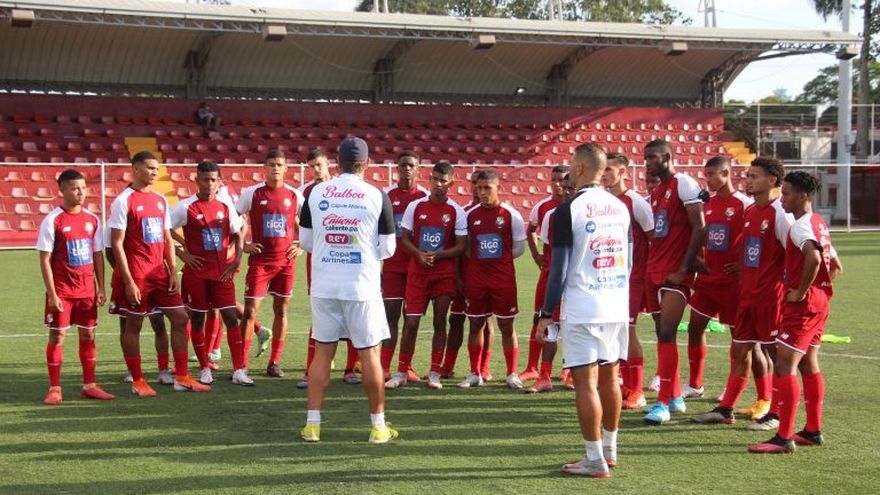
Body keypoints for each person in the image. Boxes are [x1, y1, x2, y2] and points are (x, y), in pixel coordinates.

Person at [536, 144, 631, 477]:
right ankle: (610, 449)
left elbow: (559, 268)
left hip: (584, 306)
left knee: (585, 383)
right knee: (610, 378)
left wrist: (546, 313)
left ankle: (593, 459)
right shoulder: (620, 207)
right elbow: (629, 261)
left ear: (578, 169)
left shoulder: (568, 210)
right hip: (616, 303)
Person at [299, 137, 399, 444]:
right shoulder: (377, 195)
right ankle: (378, 427)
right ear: (366, 163)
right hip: (361, 286)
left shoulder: (316, 193)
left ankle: (312, 425)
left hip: (324, 284)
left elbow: (306, 242)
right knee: (369, 354)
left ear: (336, 162)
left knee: (322, 351)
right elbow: (388, 248)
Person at [692, 157, 792, 426]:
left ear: (772, 180)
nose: (748, 181)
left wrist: (792, 289)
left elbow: (796, 253)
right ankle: (726, 409)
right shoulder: (751, 211)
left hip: (770, 298)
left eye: (754, 176)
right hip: (747, 294)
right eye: (748, 176)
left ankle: (776, 412)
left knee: (776, 356)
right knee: (739, 350)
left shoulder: (780, 213)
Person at [749, 171, 841, 453]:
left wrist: (801, 291)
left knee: (784, 364)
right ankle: (812, 430)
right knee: (808, 363)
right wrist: (817, 289)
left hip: (804, 305)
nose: (782, 199)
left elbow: (813, 258)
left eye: (786, 194)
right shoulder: (818, 222)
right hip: (820, 301)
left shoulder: (800, 226)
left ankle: (784, 437)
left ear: (803, 196)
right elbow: (835, 266)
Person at [109, 151, 207, 396]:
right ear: (135, 169)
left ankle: (182, 376)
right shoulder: (123, 201)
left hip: (160, 273)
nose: (154, 172)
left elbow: (166, 238)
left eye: (156, 168)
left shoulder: (160, 199)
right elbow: (116, 243)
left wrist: (172, 271)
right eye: (150, 168)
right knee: (134, 324)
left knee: (180, 318)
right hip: (137, 274)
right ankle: (138, 380)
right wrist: (128, 280)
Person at [385, 162, 467, 390]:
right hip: (418, 273)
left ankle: (434, 373)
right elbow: (405, 238)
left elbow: (461, 246)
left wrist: (438, 255)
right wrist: (419, 255)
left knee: (440, 321)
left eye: (443, 181)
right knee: (411, 322)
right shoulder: (415, 206)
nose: (438, 184)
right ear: (430, 180)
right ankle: (401, 371)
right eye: (435, 179)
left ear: (451, 183)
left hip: (443, 274)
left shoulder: (456, 211)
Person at [641, 139, 705, 425]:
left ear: (667, 156)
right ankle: (676, 394)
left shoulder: (684, 184)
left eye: (652, 157)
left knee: (667, 333)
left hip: (675, 274)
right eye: (646, 158)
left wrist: (683, 269)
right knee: (661, 334)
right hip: (654, 270)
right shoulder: (656, 191)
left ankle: (663, 403)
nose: (647, 162)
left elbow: (699, 227)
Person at [38, 169, 114, 405]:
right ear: (62, 190)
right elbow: (44, 259)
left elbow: (97, 254)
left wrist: (101, 287)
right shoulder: (53, 220)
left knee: (88, 335)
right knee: (57, 336)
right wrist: (52, 294)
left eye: (83, 188)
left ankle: (90, 386)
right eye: (74, 188)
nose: (80, 193)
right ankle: (54, 388)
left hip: (86, 290)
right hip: (62, 291)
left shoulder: (93, 219)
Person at [683, 157, 753, 400]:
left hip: (733, 284)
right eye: (706, 175)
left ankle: (731, 389)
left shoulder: (744, 204)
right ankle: (695, 384)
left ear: (726, 173)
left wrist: (744, 265)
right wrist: (696, 256)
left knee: (739, 340)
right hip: (708, 280)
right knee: (694, 328)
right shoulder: (707, 204)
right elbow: (699, 234)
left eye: (712, 174)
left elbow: (756, 237)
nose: (708, 179)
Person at [170, 161, 244, 386]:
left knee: (230, 316)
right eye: (205, 179)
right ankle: (204, 368)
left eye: (213, 180)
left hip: (222, 273)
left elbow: (238, 233)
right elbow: (164, 230)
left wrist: (236, 259)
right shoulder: (185, 207)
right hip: (197, 274)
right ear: (197, 180)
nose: (209, 184)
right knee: (198, 319)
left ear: (219, 182)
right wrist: (183, 254)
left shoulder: (226, 206)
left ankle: (239, 370)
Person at [235, 150, 305, 383]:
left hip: (286, 262)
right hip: (261, 262)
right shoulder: (252, 193)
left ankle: (274, 362)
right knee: (250, 311)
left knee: (281, 310)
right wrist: (244, 245)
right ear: (264, 168)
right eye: (271, 164)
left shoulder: (295, 195)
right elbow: (232, 218)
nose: (275, 168)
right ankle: (241, 364)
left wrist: (301, 245)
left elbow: (310, 223)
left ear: (286, 169)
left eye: (279, 165)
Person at [297, 149, 362, 388]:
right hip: (318, 260)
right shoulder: (305, 192)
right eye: (311, 166)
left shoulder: (342, 189)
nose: (316, 170)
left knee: (352, 310)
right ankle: (311, 369)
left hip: (347, 256)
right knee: (321, 312)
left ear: (329, 165)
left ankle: (350, 368)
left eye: (319, 165)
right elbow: (302, 227)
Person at [459, 169, 527, 390]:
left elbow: (519, 248)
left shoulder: (511, 215)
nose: (482, 192)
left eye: (487, 188)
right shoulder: (469, 215)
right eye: (479, 188)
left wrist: (499, 260)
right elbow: (467, 248)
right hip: (476, 279)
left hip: (503, 279)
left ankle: (511, 373)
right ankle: (474, 373)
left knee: (506, 325)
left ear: (499, 188)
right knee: (475, 324)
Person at [601, 152, 654, 409]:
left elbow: (654, 238)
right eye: (603, 169)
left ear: (623, 172)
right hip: (608, 280)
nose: (604, 174)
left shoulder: (636, 202)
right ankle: (624, 383)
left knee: (628, 331)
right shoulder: (603, 202)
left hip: (633, 279)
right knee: (613, 333)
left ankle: (638, 390)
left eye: (609, 170)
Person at [440, 171, 495, 379]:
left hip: (483, 278)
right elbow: (456, 247)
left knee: (484, 322)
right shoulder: (463, 213)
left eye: (481, 185)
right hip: (463, 275)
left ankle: (484, 368)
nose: (476, 188)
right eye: (473, 183)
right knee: (456, 320)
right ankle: (448, 366)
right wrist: (457, 276)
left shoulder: (496, 212)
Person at [379, 151, 429, 380]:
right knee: (390, 315)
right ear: (396, 168)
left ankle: (405, 366)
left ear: (418, 169)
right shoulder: (385, 196)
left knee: (412, 318)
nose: (407, 169)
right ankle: (384, 366)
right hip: (392, 267)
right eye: (403, 165)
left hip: (416, 269)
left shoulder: (424, 198)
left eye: (411, 165)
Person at [524, 173, 575, 393]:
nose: (566, 191)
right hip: (556, 279)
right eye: (565, 187)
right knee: (550, 327)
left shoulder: (587, 214)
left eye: (571, 187)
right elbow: (548, 248)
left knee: (574, 329)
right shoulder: (551, 215)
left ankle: (571, 373)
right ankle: (544, 375)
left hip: (579, 284)